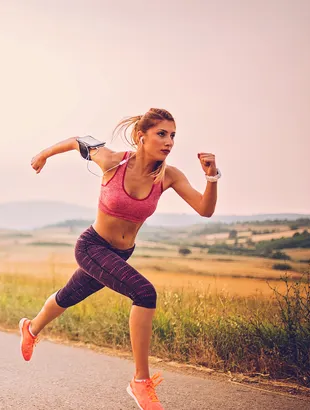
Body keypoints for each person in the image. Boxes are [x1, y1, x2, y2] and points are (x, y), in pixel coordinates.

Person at [21, 108, 219, 410]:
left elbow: (204, 209)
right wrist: (43, 155)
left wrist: (211, 177)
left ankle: (31, 328)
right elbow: (78, 141)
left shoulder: (169, 176)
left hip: (121, 253)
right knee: (144, 293)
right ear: (141, 136)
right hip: (93, 247)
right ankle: (141, 381)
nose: (169, 141)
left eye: (173, 135)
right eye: (162, 134)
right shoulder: (112, 160)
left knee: (67, 296)